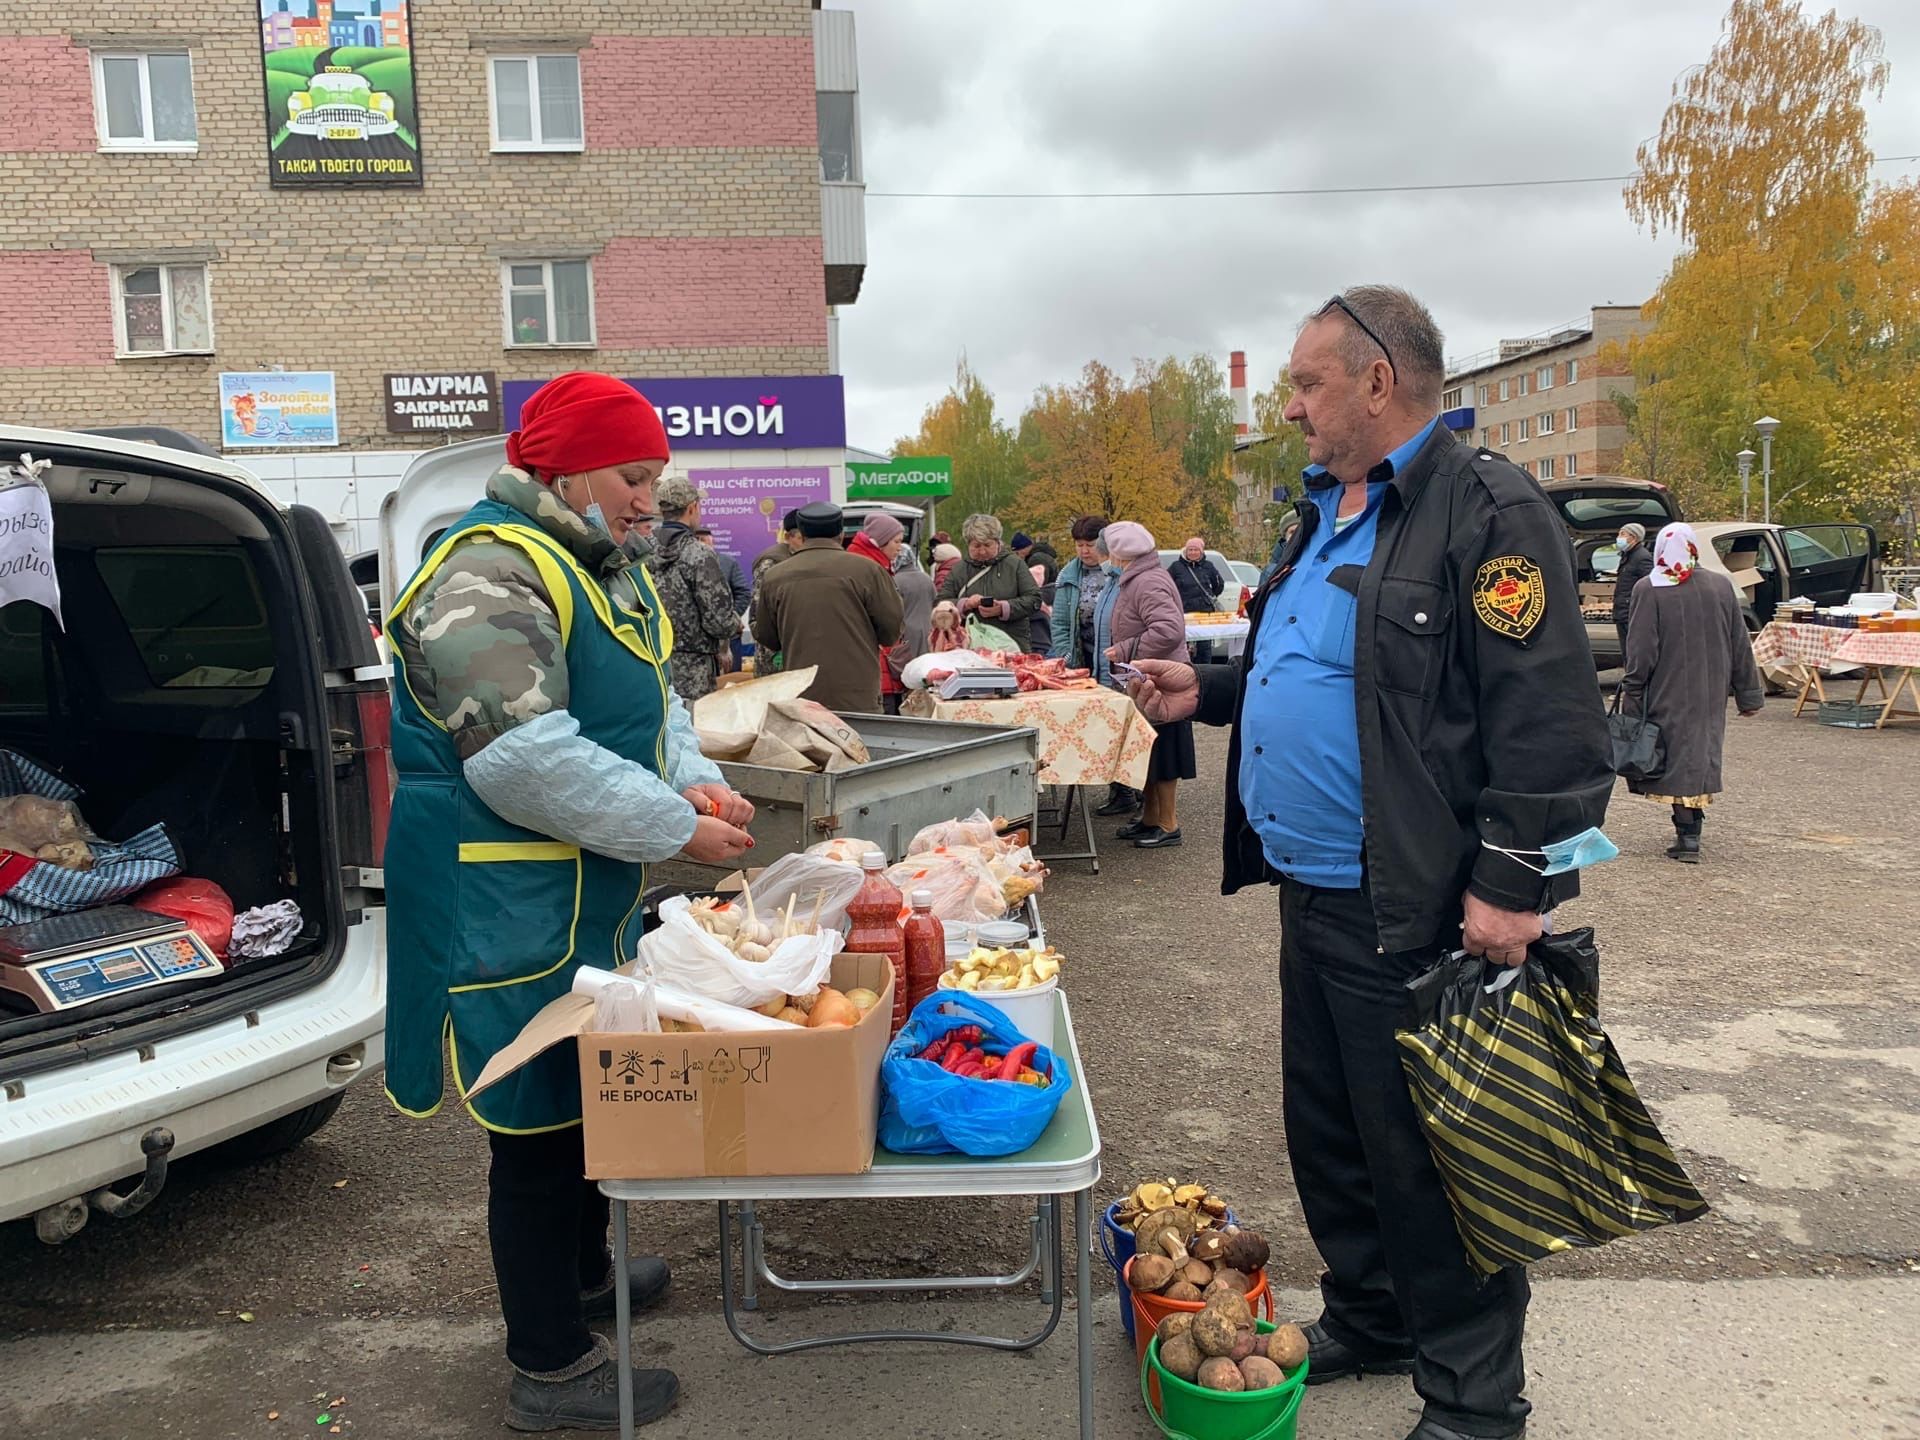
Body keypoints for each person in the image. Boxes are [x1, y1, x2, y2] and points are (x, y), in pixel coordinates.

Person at [1126, 288, 1612, 1440]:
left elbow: (1549, 723)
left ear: (1380, 380)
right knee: (1334, 1131)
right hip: (1317, 893)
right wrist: (1217, 692)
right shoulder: (1326, 512)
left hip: (1423, 902)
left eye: (1307, 385)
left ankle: (1475, 1402)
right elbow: (1336, 674)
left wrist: (1509, 886)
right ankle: (1377, 1315)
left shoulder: (1487, 510)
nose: (1292, 408)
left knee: (1433, 1158)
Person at [384, 371, 756, 1433]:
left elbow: (651, 702)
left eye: (654, 476)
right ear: (559, 466)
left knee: (593, 1082)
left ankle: (585, 1275)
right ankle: (549, 1364)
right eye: (633, 475)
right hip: (500, 894)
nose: (652, 495)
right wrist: (676, 829)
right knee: (536, 1124)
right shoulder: (488, 570)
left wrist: (688, 777)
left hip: (578, 886)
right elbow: (520, 758)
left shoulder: (604, 564)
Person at [1620, 521, 1764, 862]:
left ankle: (1688, 835)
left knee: (1673, 757)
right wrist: (1748, 694)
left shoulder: (1649, 588)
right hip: (1709, 689)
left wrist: (1633, 689)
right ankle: (1691, 824)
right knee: (1697, 753)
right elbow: (1739, 643)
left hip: (1665, 688)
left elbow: (1641, 648)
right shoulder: (1720, 586)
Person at [1092, 522, 1192, 848]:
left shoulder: (1147, 581)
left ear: (1121, 554)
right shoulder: (1138, 578)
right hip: (1145, 679)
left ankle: (1168, 823)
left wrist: (1124, 650)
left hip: (1162, 682)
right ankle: (1150, 818)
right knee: (1147, 751)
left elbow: (1168, 631)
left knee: (1163, 754)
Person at [753, 502, 903, 715]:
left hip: (802, 696)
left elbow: (767, 636)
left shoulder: (775, 576)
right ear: (841, 534)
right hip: (858, 696)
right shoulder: (869, 571)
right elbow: (891, 631)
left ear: (801, 535)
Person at [649, 477, 741, 704]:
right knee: (693, 730)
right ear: (692, 508)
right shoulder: (699, 554)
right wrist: (735, 623)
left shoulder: (641, 550)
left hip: (652, 662)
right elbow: (719, 622)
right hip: (695, 669)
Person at [935, 514, 1041, 649]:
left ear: (998, 542)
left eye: (987, 545)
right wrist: (965, 604)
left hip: (1011, 645)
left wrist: (1004, 608)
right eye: (977, 546)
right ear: (968, 544)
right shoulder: (959, 569)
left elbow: (1034, 599)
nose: (982, 551)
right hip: (969, 647)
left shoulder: (1015, 565)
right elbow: (940, 603)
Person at [848, 512, 914, 713]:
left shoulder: (870, 563)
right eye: (896, 541)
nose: (899, 547)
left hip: (878, 659)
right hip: (874, 659)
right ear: (881, 541)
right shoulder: (871, 568)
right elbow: (886, 618)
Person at [1050, 515, 1109, 667]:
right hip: (1082, 657)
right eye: (1079, 545)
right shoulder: (1067, 576)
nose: (1084, 551)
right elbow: (1059, 622)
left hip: (1114, 656)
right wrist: (1066, 655)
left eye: (1090, 545)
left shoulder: (1118, 572)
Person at [1611, 521, 1653, 658]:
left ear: (1633, 537)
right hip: (1623, 612)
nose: (1619, 537)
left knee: (1634, 653)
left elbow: (1649, 585)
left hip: (1632, 613)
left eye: (1622, 534)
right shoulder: (1627, 556)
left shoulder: (1641, 557)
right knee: (1627, 652)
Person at [696, 526, 752, 616]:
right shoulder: (684, 563)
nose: (699, 543)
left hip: (724, 624)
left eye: (703, 540)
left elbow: (743, 593)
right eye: (695, 540)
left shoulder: (728, 563)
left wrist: (733, 618)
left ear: (712, 542)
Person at [1170, 535, 1226, 614]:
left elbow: (1219, 584)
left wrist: (1208, 598)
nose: (1193, 552)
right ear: (1186, 551)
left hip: (1206, 611)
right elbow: (1167, 585)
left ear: (1201, 552)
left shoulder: (1208, 566)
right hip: (1183, 611)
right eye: (1190, 550)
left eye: (1196, 550)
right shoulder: (1176, 567)